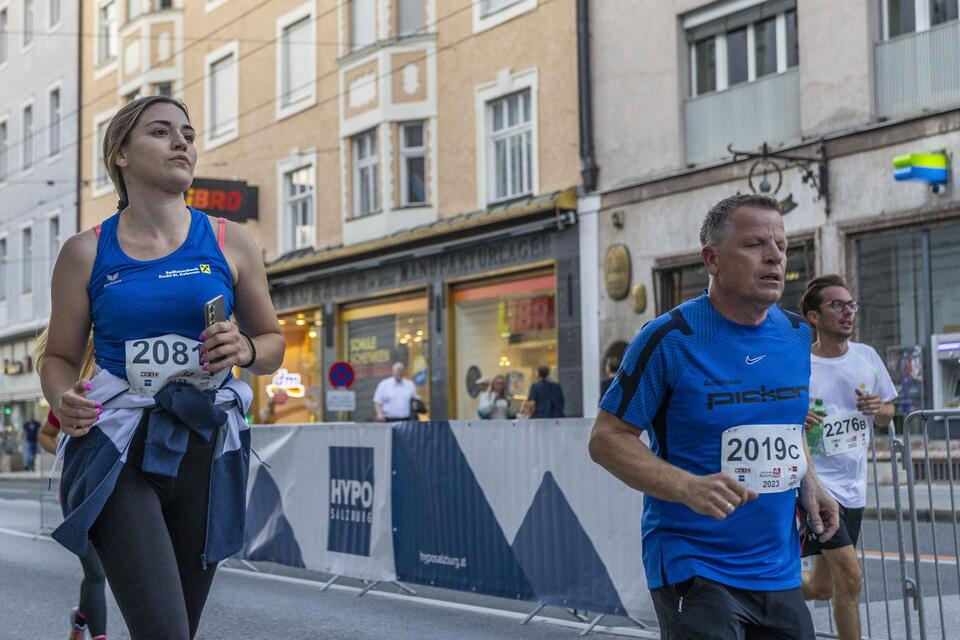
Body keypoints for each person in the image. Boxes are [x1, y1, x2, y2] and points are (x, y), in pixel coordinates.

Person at [40, 96, 284, 640]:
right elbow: (58, 357)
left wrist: (244, 348)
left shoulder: (230, 240)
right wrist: (62, 398)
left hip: (204, 445)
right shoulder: (86, 251)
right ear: (121, 154)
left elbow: (273, 343)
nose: (182, 143)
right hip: (116, 446)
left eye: (188, 134)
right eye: (161, 132)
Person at [588, 193, 839, 640]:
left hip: (777, 567)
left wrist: (809, 481)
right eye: (754, 245)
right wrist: (687, 487)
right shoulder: (670, 338)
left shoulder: (798, 335)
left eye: (780, 246)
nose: (773, 258)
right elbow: (607, 439)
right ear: (712, 259)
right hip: (694, 563)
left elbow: (784, 428)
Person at [799, 275, 897, 640]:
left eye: (851, 305)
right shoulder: (801, 365)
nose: (847, 312)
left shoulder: (866, 357)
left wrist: (879, 408)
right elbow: (782, 414)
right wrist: (799, 417)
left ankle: (762, 596)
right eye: (837, 305)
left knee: (825, 588)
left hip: (855, 486)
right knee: (851, 577)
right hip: (817, 486)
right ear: (813, 316)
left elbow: (888, 414)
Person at [35, 329, 109, 640]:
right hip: (79, 489)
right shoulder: (79, 394)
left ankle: (81, 617)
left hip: (116, 487)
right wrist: (68, 451)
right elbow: (45, 436)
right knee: (96, 572)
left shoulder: (127, 389)